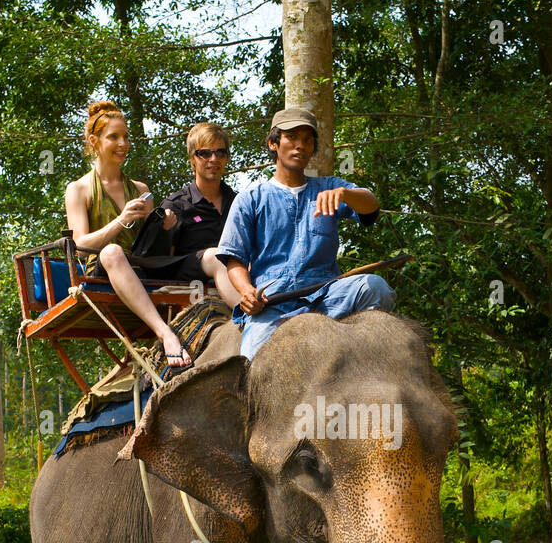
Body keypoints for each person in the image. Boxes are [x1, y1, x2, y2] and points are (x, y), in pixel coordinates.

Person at [215, 107, 394, 360]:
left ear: (313, 148)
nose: (300, 145)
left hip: (327, 296)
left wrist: (346, 194)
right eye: (291, 137)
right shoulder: (250, 199)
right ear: (273, 143)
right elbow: (234, 259)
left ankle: (368, 364)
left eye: (308, 140)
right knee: (249, 360)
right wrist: (246, 291)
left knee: (375, 287)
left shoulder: (330, 187)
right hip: (274, 303)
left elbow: (371, 205)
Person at [64, 101, 192, 368]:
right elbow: (79, 245)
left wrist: (164, 226)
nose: (122, 143)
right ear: (94, 141)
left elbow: (151, 244)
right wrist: (120, 221)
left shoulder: (139, 188)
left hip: (141, 267)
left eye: (125, 136)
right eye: (113, 137)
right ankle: (164, 332)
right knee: (112, 251)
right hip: (102, 269)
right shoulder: (78, 189)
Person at [159, 122, 238, 308]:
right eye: (205, 153)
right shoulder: (176, 204)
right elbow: (162, 259)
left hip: (235, 272)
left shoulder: (239, 202)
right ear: (192, 159)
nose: (214, 159)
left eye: (220, 153)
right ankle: (247, 315)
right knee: (215, 256)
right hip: (189, 274)